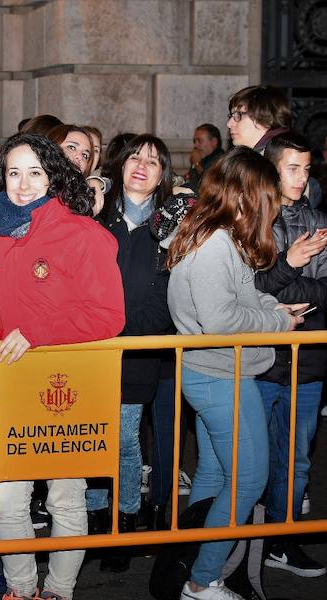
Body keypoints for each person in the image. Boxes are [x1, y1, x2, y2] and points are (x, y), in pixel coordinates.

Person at [0, 133, 125, 600]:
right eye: (13, 172)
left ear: (54, 177)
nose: (22, 184)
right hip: (9, 382)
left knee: (65, 498)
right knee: (8, 499)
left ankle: (60, 591)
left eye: (35, 172)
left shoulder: (82, 233)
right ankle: (21, 590)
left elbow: (109, 315)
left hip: (68, 384)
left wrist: (39, 333)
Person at [166, 147, 304, 600]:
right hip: (222, 376)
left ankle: (192, 566)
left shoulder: (213, 236)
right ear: (246, 195)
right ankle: (202, 579)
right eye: (268, 195)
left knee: (212, 476)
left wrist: (273, 308)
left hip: (212, 373)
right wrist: (279, 322)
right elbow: (223, 320)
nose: (275, 204)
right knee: (247, 480)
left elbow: (242, 300)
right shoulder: (215, 245)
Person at [87, 134, 177, 572]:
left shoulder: (169, 229)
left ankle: (122, 522)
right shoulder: (96, 217)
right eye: (136, 157)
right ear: (121, 165)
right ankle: (95, 517)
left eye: (154, 162)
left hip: (136, 353)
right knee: (88, 440)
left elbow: (163, 301)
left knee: (122, 442)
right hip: (87, 353)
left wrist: (113, 328)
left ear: (162, 177)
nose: (143, 165)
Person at [253, 131, 327, 578]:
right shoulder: (252, 218)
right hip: (262, 359)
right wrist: (293, 265)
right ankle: (244, 542)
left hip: (308, 360)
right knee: (252, 460)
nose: (301, 177)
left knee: (296, 459)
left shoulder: (319, 219)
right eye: (292, 168)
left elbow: (323, 292)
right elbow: (250, 287)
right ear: (272, 168)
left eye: (307, 168)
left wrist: (284, 281)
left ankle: (282, 540)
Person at [226, 86, 291, 153]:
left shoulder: (280, 159)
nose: (229, 124)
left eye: (238, 115)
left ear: (264, 117)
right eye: (231, 116)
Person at [186, 124, 224, 190]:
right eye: (194, 141)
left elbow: (211, 185)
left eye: (199, 141)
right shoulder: (203, 158)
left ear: (214, 142)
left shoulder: (222, 161)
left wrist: (197, 164)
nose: (195, 145)